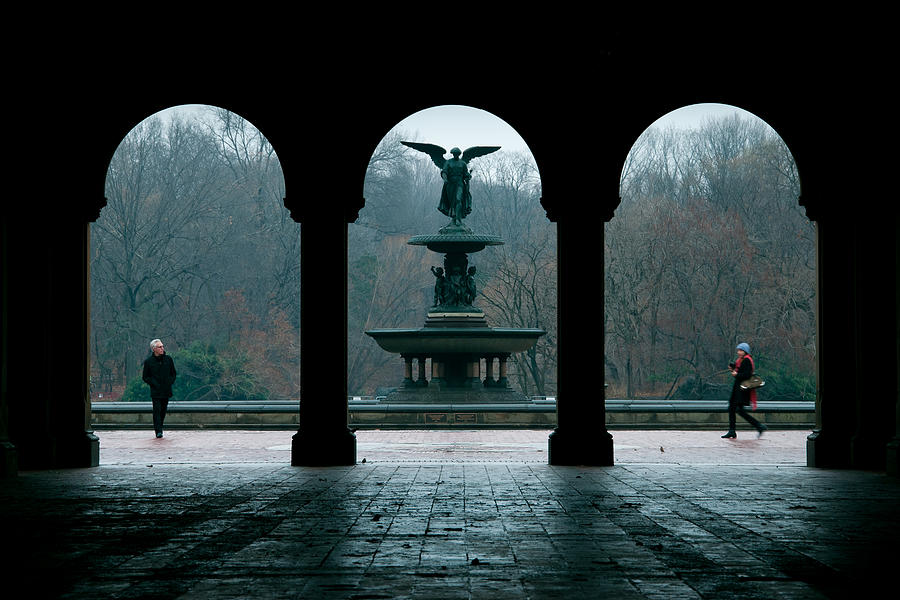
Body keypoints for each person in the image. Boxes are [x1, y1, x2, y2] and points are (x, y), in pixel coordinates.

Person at [722, 342, 767, 439]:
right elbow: (740, 371)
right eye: (738, 350)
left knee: (738, 410)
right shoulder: (741, 360)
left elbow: (747, 375)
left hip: (742, 390)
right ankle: (732, 431)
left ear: (745, 351)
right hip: (738, 389)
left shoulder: (747, 360)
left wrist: (736, 374)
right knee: (733, 408)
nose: (738, 352)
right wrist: (733, 369)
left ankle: (758, 426)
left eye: (741, 350)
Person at [142, 338, 176, 438]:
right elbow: (145, 377)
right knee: (157, 410)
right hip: (156, 391)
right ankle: (158, 431)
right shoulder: (148, 362)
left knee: (163, 410)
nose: (162, 348)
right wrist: (154, 383)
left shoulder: (168, 359)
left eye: (162, 346)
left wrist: (169, 382)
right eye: (159, 347)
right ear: (154, 349)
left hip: (166, 390)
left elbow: (173, 373)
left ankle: (160, 427)